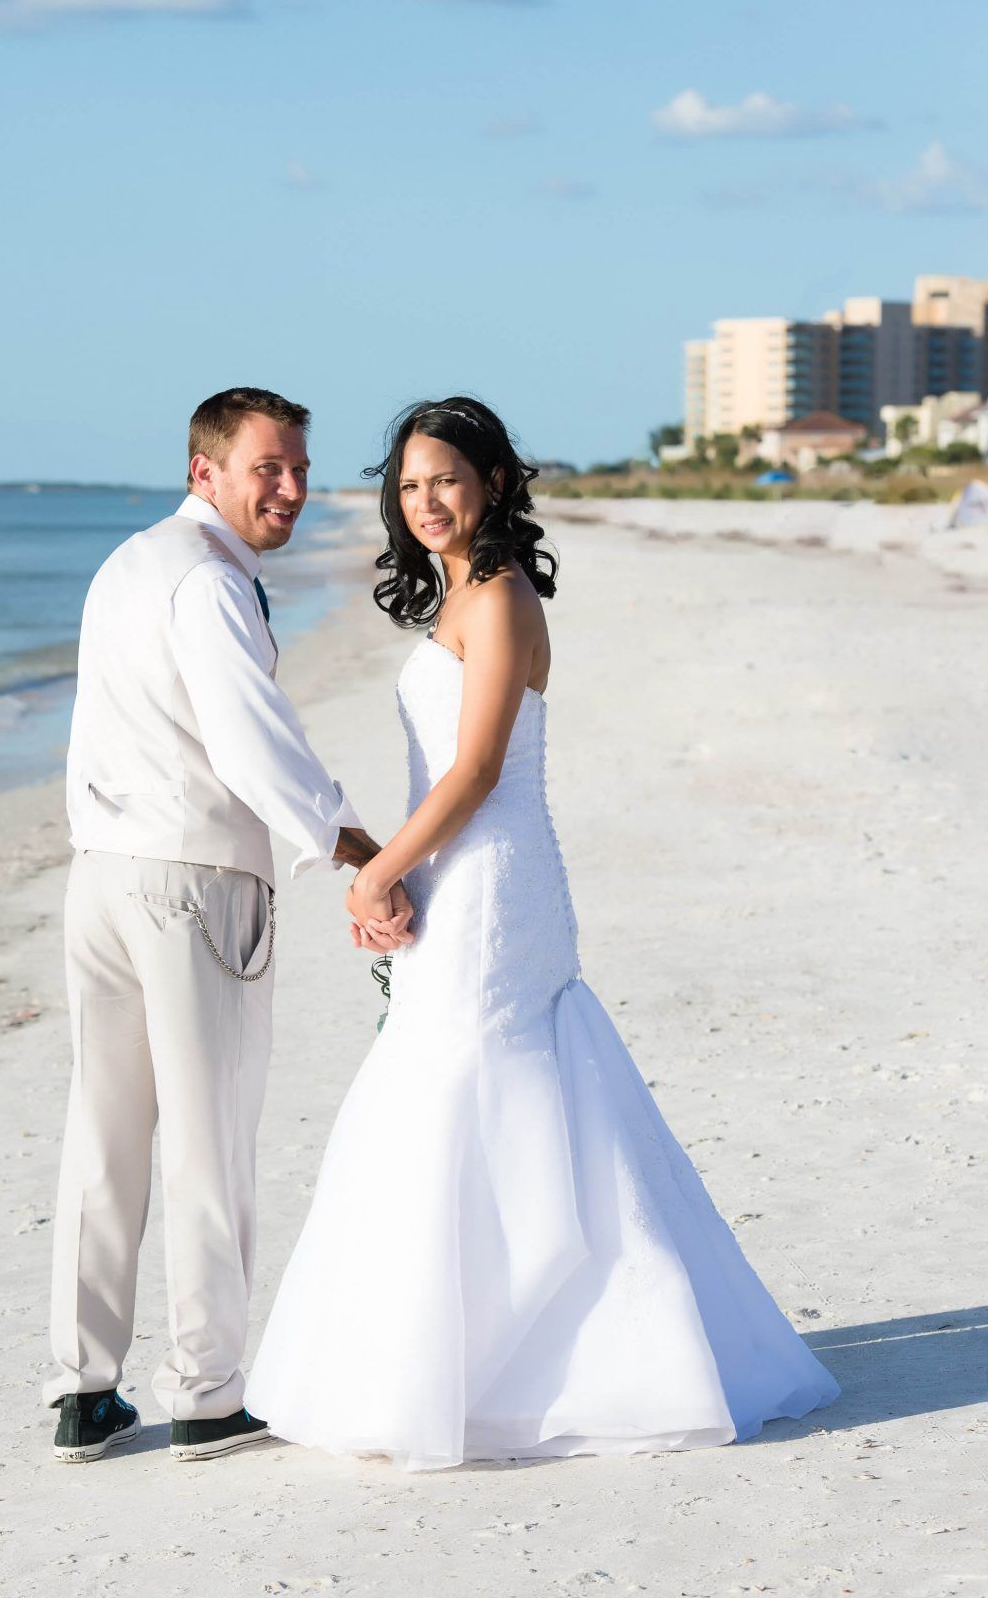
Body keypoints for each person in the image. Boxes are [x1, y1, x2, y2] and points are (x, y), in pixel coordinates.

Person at [246, 396, 840, 1469]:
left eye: (447, 481)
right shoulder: (458, 595)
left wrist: (376, 867)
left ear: (496, 487)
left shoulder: (502, 596)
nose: (425, 502)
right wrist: (396, 870)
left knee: (470, 1081)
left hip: (494, 880)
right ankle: (463, 1358)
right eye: (410, 484)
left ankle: (527, 1363)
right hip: (456, 868)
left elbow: (475, 772)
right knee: (452, 1087)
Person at [42, 386, 411, 1464]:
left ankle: (81, 1390)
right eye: (269, 469)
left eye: (300, 468)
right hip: (193, 887)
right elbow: (255, 749)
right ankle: (205, 1395)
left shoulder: (129, 562)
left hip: (100, 878)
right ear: (206, 470)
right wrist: (362, 852)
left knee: (101, 1139)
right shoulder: (208, 584)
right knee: (209, 1143)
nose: (293, 489)